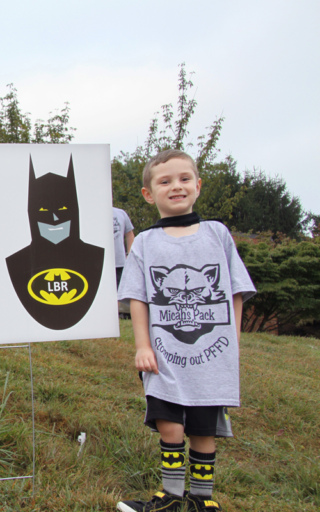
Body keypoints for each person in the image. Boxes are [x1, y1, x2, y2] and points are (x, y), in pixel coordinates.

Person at [116, 149, 255, 512]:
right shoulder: (145, 242)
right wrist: (143, 346)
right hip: (165, 358)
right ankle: (170, 498)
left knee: (204, 431)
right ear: (149, 193)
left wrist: (233, 341)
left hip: (211, 359)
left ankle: (201, 501)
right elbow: (138, 298)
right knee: (169, 425)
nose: (176, 186)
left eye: (183, 179)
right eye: (165, 181)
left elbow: (235, 291)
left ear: (197, 185)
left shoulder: (217, 234)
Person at [113, 206, 134, 318]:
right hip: (101, 262)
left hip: (120, 262)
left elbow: (129, 234)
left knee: (119, 291)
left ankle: (116, 316)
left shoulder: (121, 213)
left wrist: (130, 255)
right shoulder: (95, 212)